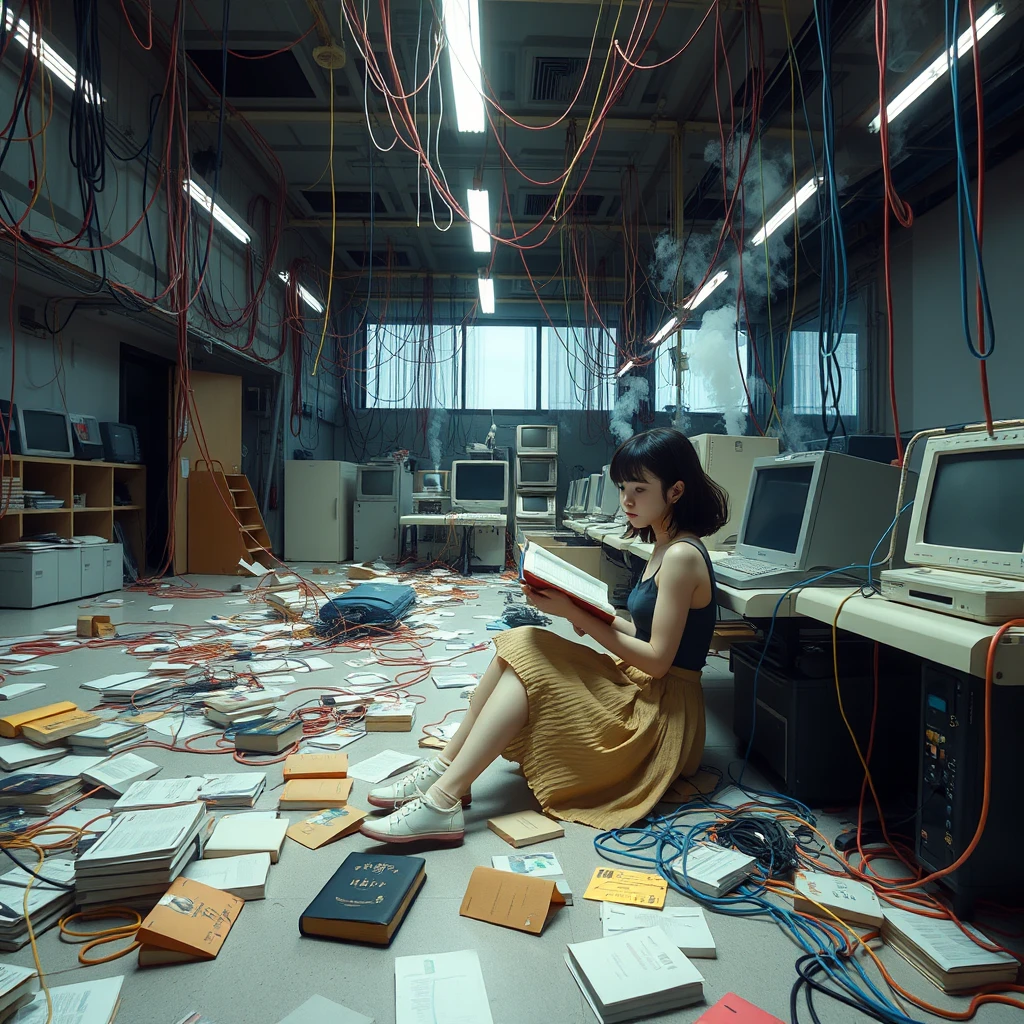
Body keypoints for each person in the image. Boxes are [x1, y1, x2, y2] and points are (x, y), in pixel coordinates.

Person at [359, 427, 728, 844]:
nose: (626, 500)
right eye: (623, 487)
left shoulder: (680, 555)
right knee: (523, 642)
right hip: (644, 685)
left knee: (529, 663)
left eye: (640, 489)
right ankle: (446, 769)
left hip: (662, 712)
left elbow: (659, 660)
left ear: (676, 491)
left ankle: (444, 797)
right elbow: (645, 632)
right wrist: (592, 613)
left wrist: (577, 614)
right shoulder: (664, 544)